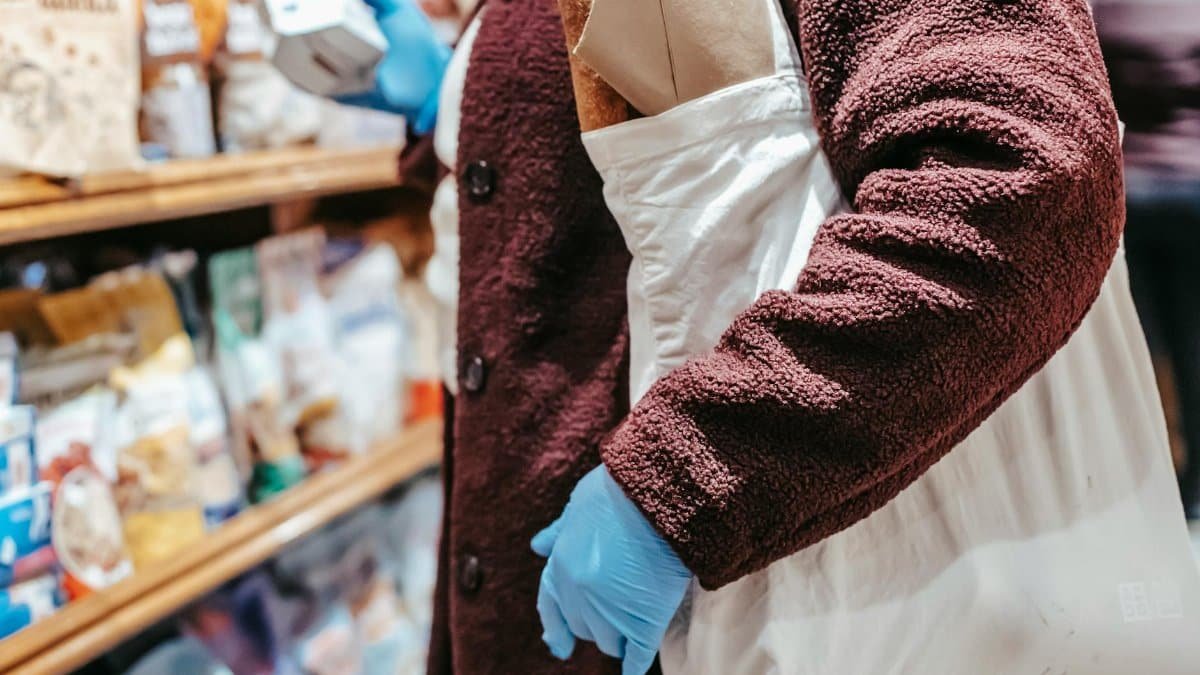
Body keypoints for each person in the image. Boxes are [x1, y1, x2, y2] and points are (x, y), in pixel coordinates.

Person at [340, 0, 1138, 673]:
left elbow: (1020, 176)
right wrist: (456, 97)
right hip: (589, 596)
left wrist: (682, 477)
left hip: (751, 591)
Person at [1094, 0, 1200, 519]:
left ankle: (1156, 476)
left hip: (1130, 199)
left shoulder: (1108, 10)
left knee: (1140, 349)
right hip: (1193, 192)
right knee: (1193, 346)